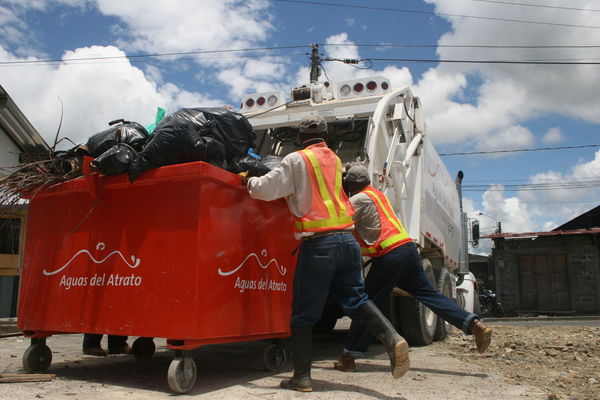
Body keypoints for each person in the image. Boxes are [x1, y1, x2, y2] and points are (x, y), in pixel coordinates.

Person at [244, 113, 409, 392]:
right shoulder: (335, 160)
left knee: (303, 315)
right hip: (347, 242)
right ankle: (392, 338)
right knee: (356, 300)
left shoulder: (297, 159)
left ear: (299, 137)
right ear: (327, 136)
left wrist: (248, 181)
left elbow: (267, 190)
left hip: (319, 244)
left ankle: (302, 378)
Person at [333, 165, 493, 373]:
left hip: (389, 254)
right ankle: (473, 324)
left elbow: (336, 220)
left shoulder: (359, 199)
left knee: (367, 305)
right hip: (408, 250)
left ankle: (349, 357)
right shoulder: (377, 194)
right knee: (429, 295)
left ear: (352, 185)